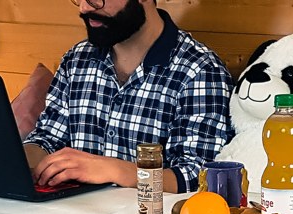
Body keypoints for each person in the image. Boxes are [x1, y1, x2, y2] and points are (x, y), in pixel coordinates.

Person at [23, 0, 233, 194]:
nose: (84, 8)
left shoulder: (200, 70)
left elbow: (197, 177)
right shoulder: (76, 60)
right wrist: (14, 159)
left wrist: (115, 170)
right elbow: (48, 139)